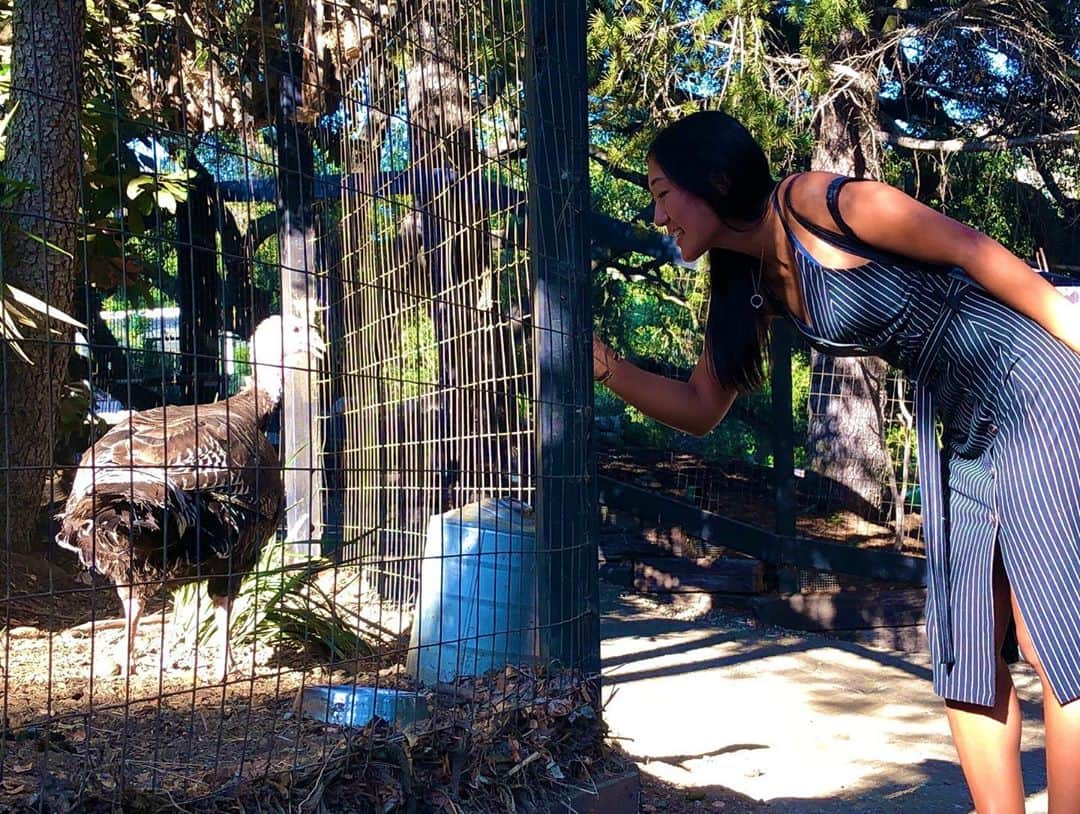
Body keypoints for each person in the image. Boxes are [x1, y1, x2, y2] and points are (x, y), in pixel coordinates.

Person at [592, 110, 1080, 813]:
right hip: (958, 412)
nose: (657, 212)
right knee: (965, 643)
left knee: (1052, 635)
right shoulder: (747, 283)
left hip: (1031, 376)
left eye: (664, 191)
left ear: (714, 178)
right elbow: (702, 406)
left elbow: (971, 249)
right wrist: (607, 369)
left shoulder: (818, 202)